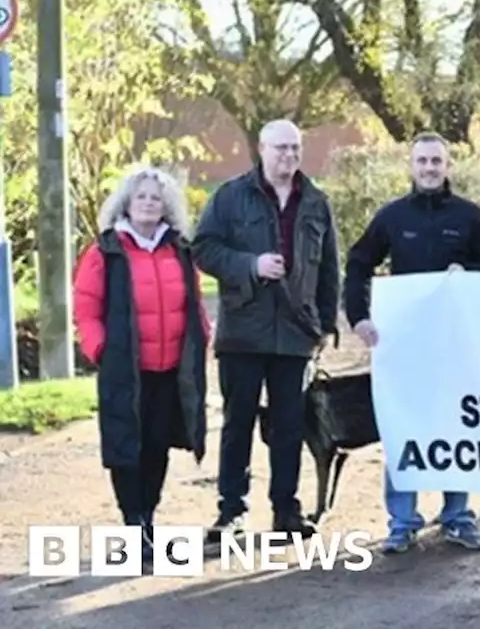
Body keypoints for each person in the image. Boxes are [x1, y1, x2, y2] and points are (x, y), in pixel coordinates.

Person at [343, 132, 480, 555]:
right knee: (402, 429)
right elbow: (358, 264)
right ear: (411, 167)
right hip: (404, 346)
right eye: (422, 161)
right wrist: (359, 317)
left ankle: (457, 516)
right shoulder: (392, 217)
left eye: (436, 161)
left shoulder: (469, 217)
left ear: (448, 166)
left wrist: (465, 271)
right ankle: (402, 521)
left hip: (455, 346)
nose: (430, 168)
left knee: (456, 428)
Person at [193, 119, 341, 542]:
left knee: (289, 424)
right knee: (237, 422)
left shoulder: (315, 201)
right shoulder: (231, 196)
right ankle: (231, 511)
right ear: (261, 149)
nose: (289, 156)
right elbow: (203, 248)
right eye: (280, 148)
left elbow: (330, 267)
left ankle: (285, 508)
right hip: (243, 330)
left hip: (295, 333)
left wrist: (325, 323)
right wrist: (250, 265)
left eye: (295, 148)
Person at [72, 166, 211, 561]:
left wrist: (202, 331)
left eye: (156, 198)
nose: (149, 203)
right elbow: (86, 310)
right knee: (125, 447)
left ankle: (147, 518)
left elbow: (195, 302)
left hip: (170, 370)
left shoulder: (179, 249)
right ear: (126, 204)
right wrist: (101, 350)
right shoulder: (105, 252)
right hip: (126, 370)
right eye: (142, 197)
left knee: (157, 447)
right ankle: (133, 523)